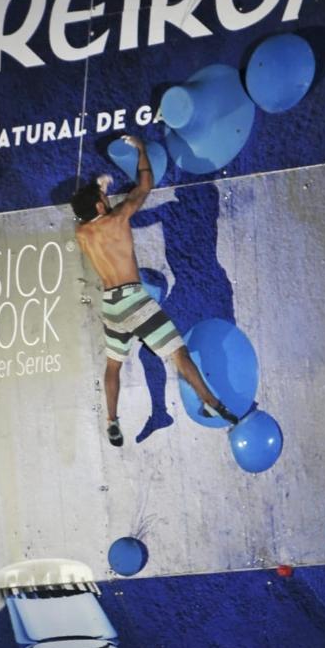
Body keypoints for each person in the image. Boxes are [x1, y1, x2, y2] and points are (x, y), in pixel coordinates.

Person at [71, 135, 238, 446]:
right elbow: (145, 184)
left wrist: (99, 190)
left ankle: (112, 420)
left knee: (113, 365)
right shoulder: (118, 218)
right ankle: (211, 403)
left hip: (111, 306)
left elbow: (89, 213)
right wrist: (141, 150)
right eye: (103, 198)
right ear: (100, 205)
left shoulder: (82, 233)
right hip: (134, 301)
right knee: (178, 353)